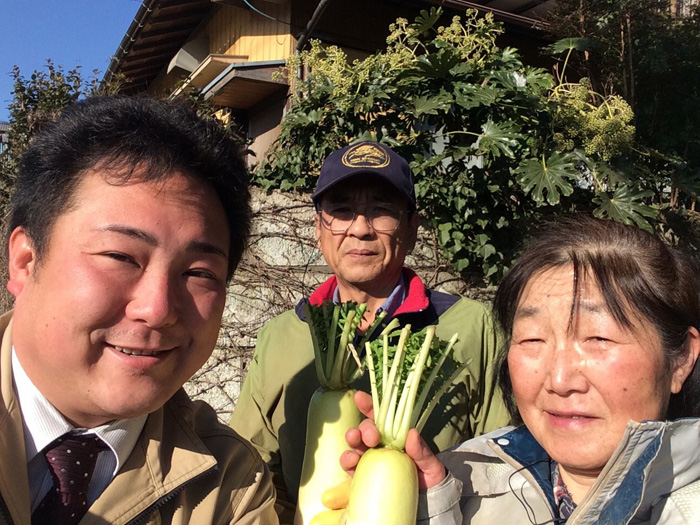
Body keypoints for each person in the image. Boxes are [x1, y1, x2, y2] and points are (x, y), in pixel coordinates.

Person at [0, 96, 278, 524]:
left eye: (200, 273)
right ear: (25, 261)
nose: (158, 308)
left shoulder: (230, 488)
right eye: (121, 256)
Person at [342, 216, 700, 524]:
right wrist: (425, 505)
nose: (559, 380)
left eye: (598, 338)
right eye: (531, 340)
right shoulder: (461, 482)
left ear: (681, 358)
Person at [229, 140, 511, 515]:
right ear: (318, 228)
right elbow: (251, 472)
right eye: (341, 211)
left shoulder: (472, 327)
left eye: (381, 211)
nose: (360, 229)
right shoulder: (281, 335)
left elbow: (503, 468)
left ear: (411, 229)